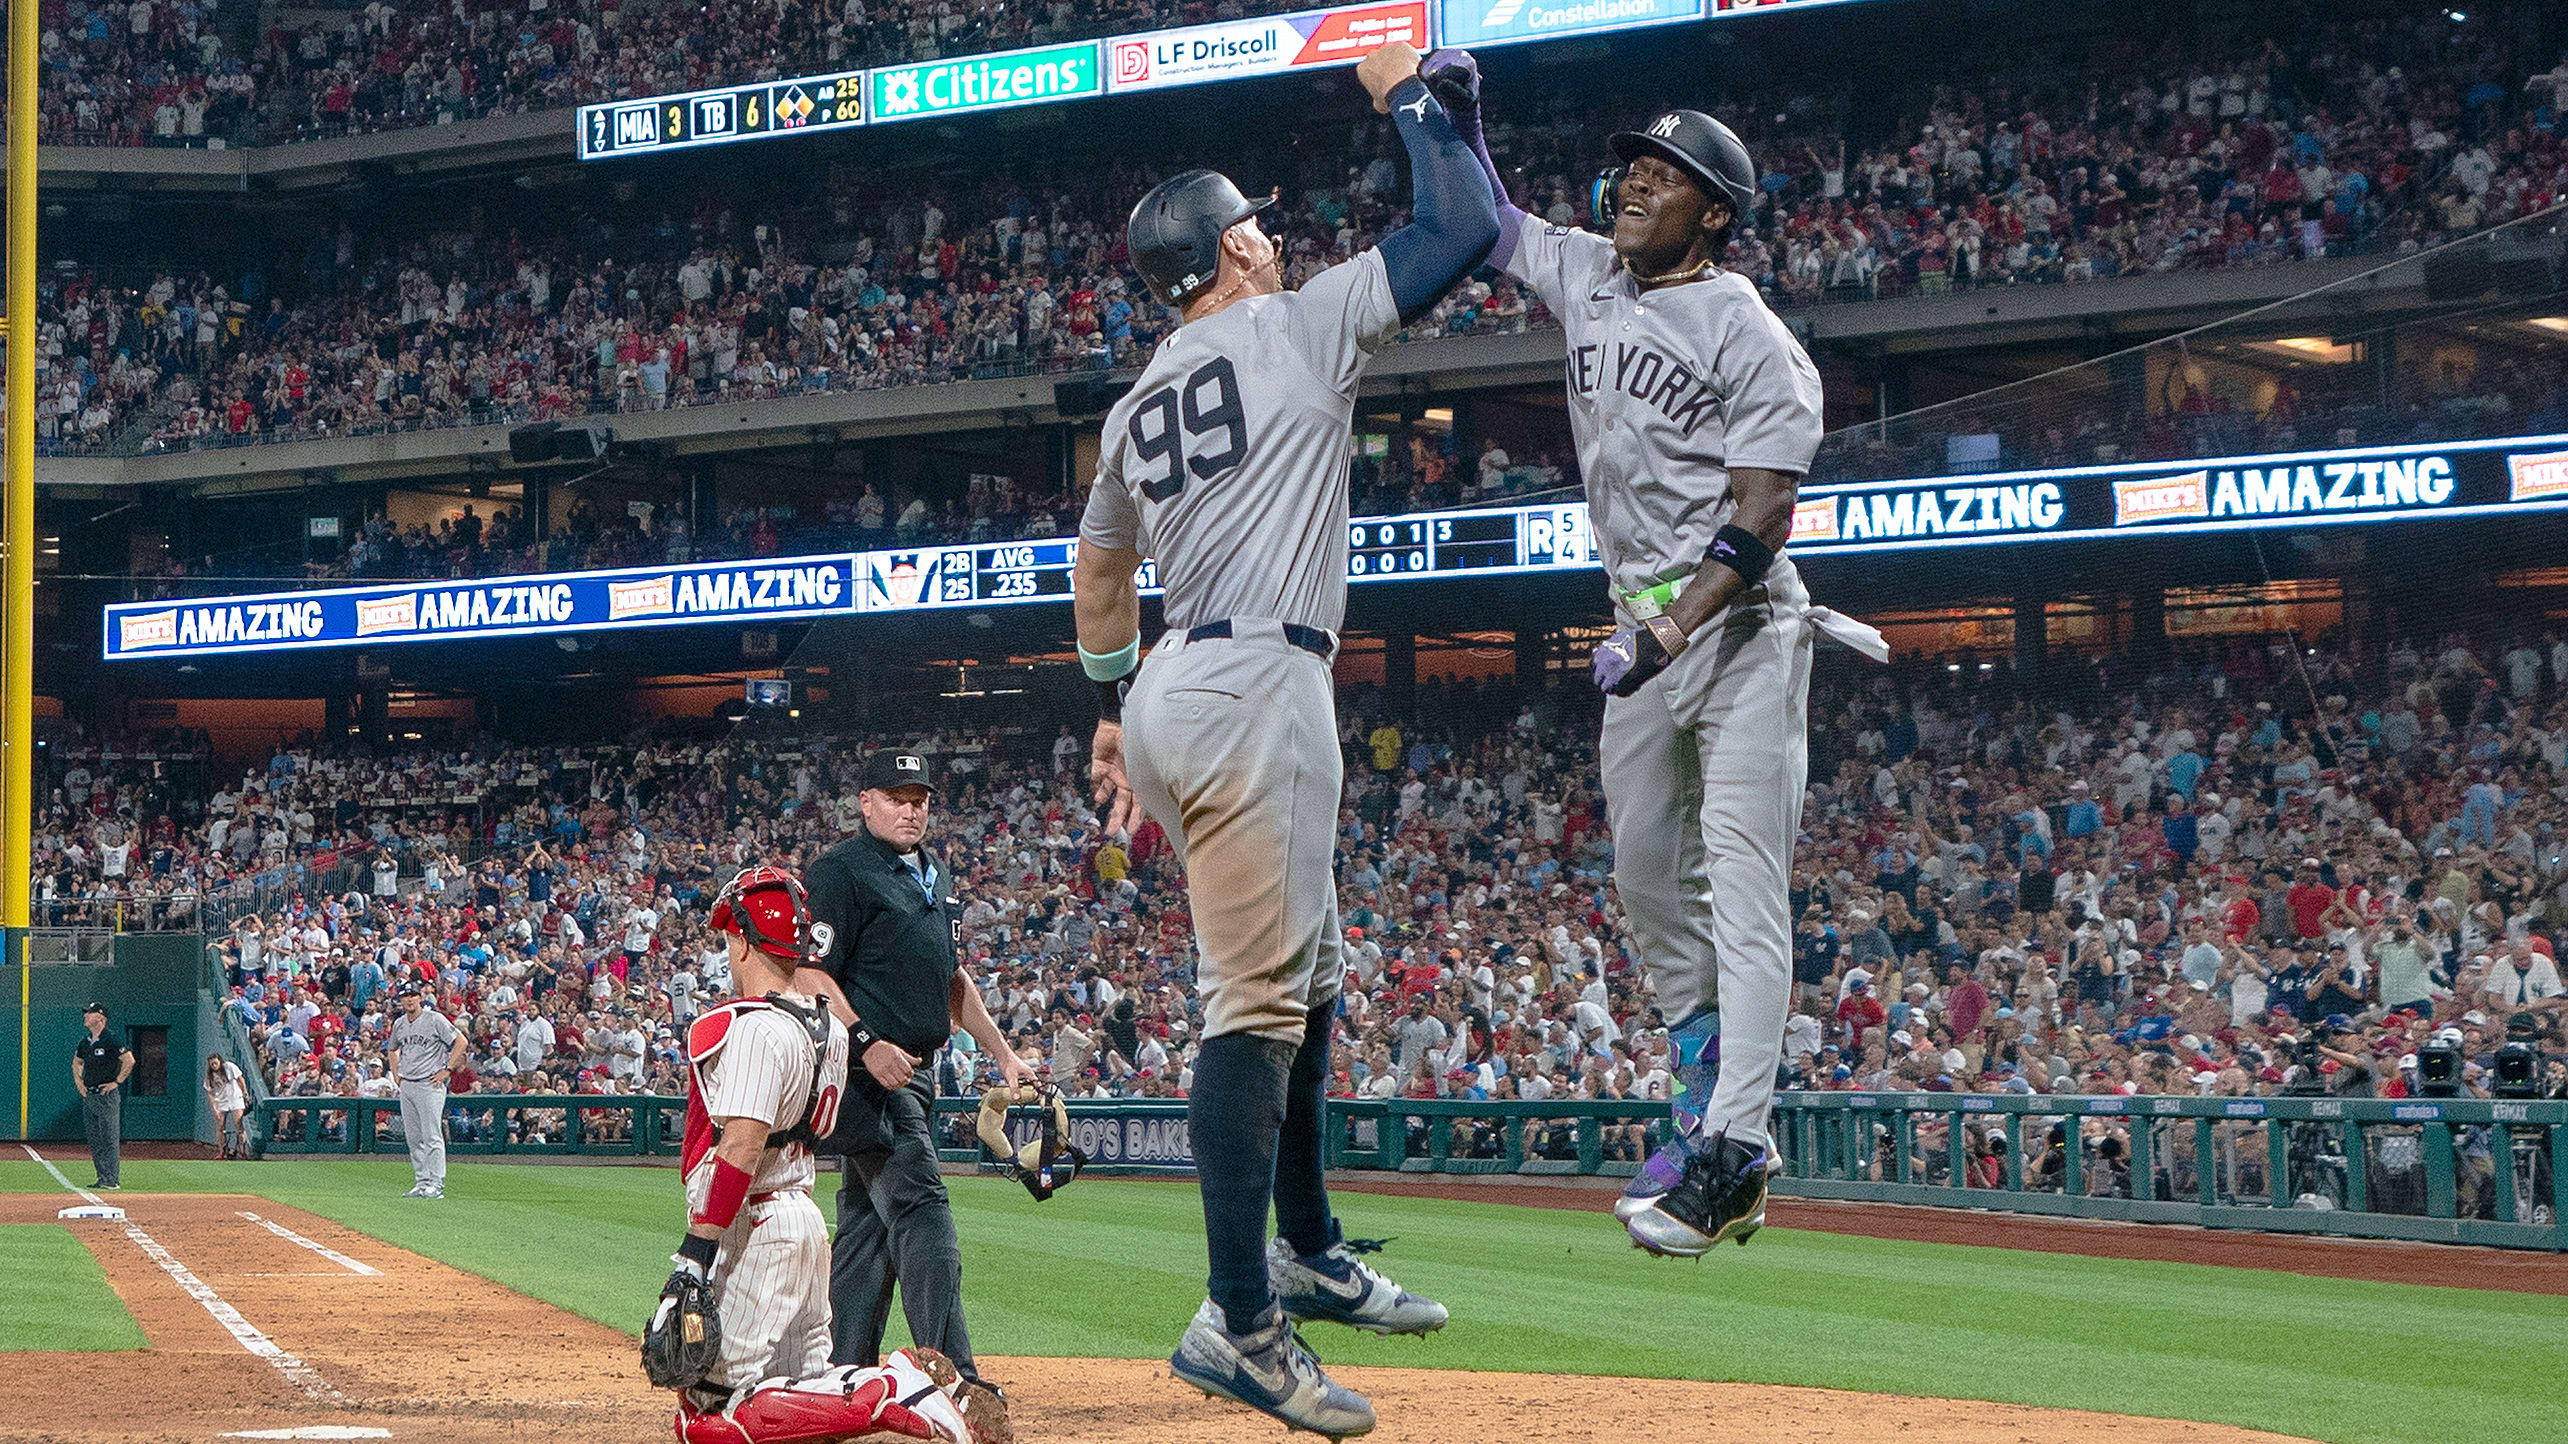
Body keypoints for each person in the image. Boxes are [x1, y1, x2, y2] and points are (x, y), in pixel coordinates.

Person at [1073, 38, 1483, 1437]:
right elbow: (1460, 228)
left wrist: (1111, 709)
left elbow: (1099, 575)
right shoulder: (1299, 323)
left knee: (1306, 983)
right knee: (1252, 1008)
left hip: (1174, 684)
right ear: (1231, 248)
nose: (1272, 233)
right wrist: (1409, 98)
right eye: (1254, 222)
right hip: (1259, 683)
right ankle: (1238, 1317)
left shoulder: (1135, 404)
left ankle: (1304, 1247)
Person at [1430, 50, 1885, 1257]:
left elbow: (1764, 509)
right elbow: (1485, 221)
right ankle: (1702, 1075)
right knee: (1642, 873)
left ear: (1715, 213)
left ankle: (1736, 1148)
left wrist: (1671, 630)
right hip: (1640, 629)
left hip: (1739, 628)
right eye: (1631, 165)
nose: (1634, 182)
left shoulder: (1748, 329)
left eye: (1663, 173)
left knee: (1743, 881)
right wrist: (1463, 122)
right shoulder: (1590, 272)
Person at [797, 751, 1031, 1392]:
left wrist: (1002, 1053)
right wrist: (865, 1041)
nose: (909, 809)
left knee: (868, 1228)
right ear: (865, 802)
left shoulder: (935, 873)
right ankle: (956, 1379)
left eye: (919, 799)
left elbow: (951, 979)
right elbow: (809, 972)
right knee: (924, 1209)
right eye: (896, 797)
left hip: (918, 1073)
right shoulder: (841, 871)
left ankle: (840, 1373)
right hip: (867, 1077)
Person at [663, 863, 911, 1444]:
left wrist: (695, 1252)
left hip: (757, 1225)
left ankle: (890, 1393)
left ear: (742, 941)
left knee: (709, 1411)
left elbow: (743, 1145)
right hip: (803, 1216)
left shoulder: (754, 1027)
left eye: (730, 938)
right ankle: (876, 1390)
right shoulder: (829, 1028)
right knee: (804, 1392)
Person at [390, 987, 466, 1198]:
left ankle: (436, 1184)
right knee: (414, 1137)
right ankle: (422, 1182)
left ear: (420, 998)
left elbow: (461, 1041)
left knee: (432, 1135)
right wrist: (396, 1073)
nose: (409, 1000)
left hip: (429, 1083)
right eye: (405, 996)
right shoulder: (399, 1023)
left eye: (413, 996)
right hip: (408, 1084)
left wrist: (447, 1069)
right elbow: (392, 1048)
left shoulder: (435, 1019)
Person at [73, 1003, 133, 1190]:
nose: (86, 1016)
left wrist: (117, 1082)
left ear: (100, 1018)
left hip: (106, 1095)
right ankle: (102, 1177)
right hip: (90, 1095)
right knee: (95, 1139)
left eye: (89, 1013)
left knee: (109, 1137)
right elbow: (77, 1062)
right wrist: (79, 1083)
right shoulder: (85, 1042)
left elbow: (129, 1060)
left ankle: (111, 1179)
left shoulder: (111, 1039)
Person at [205, 1052, 250, 1159]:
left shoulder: (229, 1067)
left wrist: (245, 1094)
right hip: (221, 1100)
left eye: (215, 1063)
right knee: (220, 1126)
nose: (214, 1066)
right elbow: (210, 1092)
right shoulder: (210, 1075)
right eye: (212, 1064)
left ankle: (242, 1151)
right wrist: (214, 1108)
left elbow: (240, 1079)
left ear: (220, 1061)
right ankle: (222, 1151)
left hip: (235, 1098)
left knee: (238, 1126)